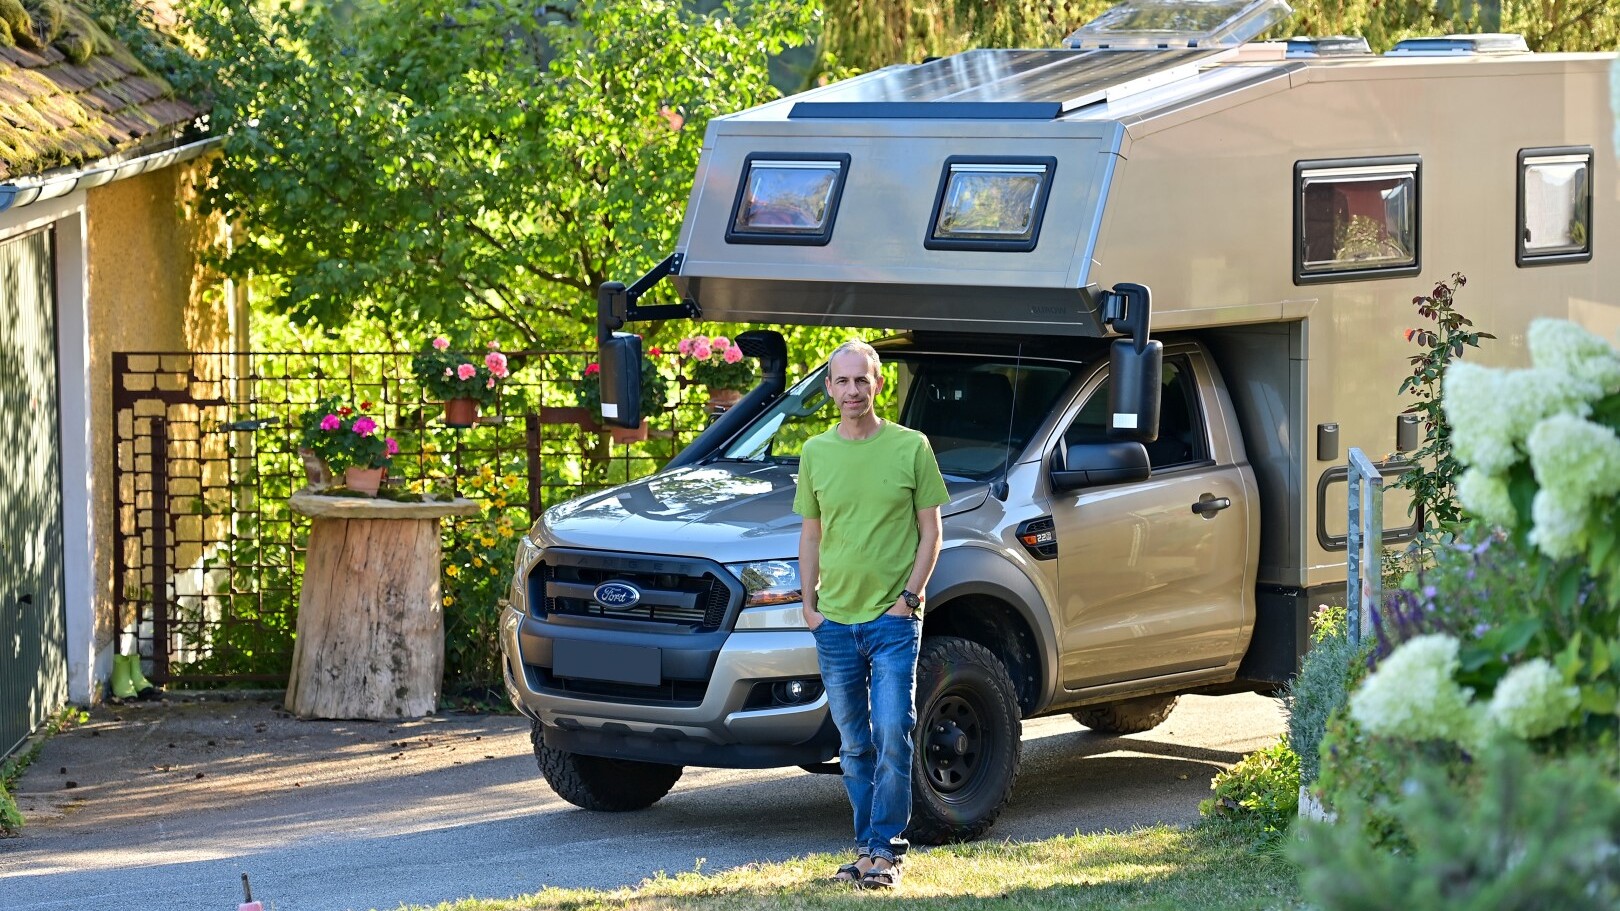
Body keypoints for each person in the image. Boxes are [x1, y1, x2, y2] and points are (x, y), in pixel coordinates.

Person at [793, 339, 949, 890]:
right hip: (833, 622)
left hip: (892, 620)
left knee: (893, 728)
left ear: (877, 384)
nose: (853, 391)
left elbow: (932, 531)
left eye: (863, 380)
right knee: (853, 743)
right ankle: (866, 848)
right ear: (830, 388)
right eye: (843, 381)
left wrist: (908, 597)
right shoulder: (816, 452)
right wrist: (809, 605)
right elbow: (811, 533)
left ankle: (886, 849)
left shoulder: (911, 447)